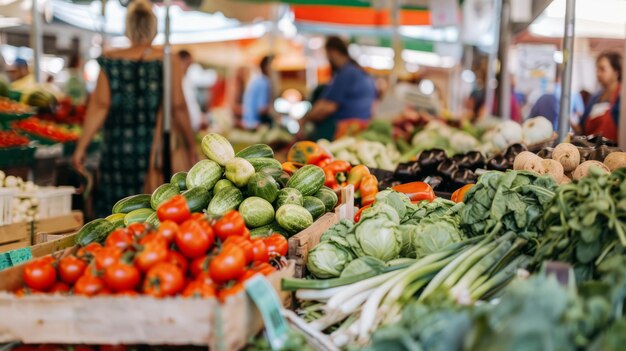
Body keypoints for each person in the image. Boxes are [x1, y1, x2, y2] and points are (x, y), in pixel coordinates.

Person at [72, 0, 196, 217]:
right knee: (149, 214)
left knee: (115, 214)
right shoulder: (169, 60)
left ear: (127, 28)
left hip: (116, 151)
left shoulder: (110, 60)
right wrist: (192, 146)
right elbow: (178, 107)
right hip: (154, 155)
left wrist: (81, 148)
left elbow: (99, 107)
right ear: (154, 28)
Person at [300, 36, 376, 141]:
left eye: (327, 54)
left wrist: (305, 119)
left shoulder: (347, 74)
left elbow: (328, 107)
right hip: (362, 130)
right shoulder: (360, 72)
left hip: (345, 132)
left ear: (332, 52)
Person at [580, 51, 622, 142]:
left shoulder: (621, 97)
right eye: (597, 69)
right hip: (591, 149)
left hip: (614, 151)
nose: (598, 74)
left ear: (616, 72)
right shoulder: (595, 97)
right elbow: (582, 127)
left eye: (602, 69)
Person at [242, 56, 273, 130]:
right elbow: (262, 109)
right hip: (256, 125)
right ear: (266, 67)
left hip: (247, 122)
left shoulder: (256, 80)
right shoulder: (264, 82)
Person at [178, 49, 204, 131]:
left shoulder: (185, 79)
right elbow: (180, 108)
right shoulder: (178, 81)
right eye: (188, 64)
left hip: (191, 127)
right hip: (185, 128)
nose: (188, 67)